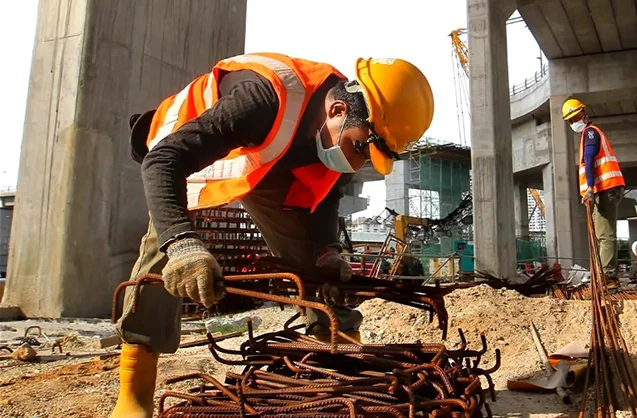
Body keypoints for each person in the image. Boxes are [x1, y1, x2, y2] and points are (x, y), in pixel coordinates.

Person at [110, 53, 434, 418]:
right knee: (163, 254)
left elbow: (323, 193)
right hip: (186, 150)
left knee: (317, 271)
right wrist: (183, 245)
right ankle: (134, 392)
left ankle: (343, 365)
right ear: (337, 110)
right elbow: (163, 161)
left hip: (266, 164)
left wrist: (328, 253)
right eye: (361, 148)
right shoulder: (264, 100)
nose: (359, 163)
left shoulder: (341, 133)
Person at [562, 98, 625, 288]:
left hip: (605, 188)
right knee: (601, 234)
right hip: (605, 189)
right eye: (571, 120)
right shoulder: (587, 135)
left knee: (605, 234)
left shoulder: (590, 133)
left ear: (584, 113)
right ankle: (604, 274)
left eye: (576, 117)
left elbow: (589, 160)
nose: (574, 122)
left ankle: (608, 276)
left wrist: (589, 189)